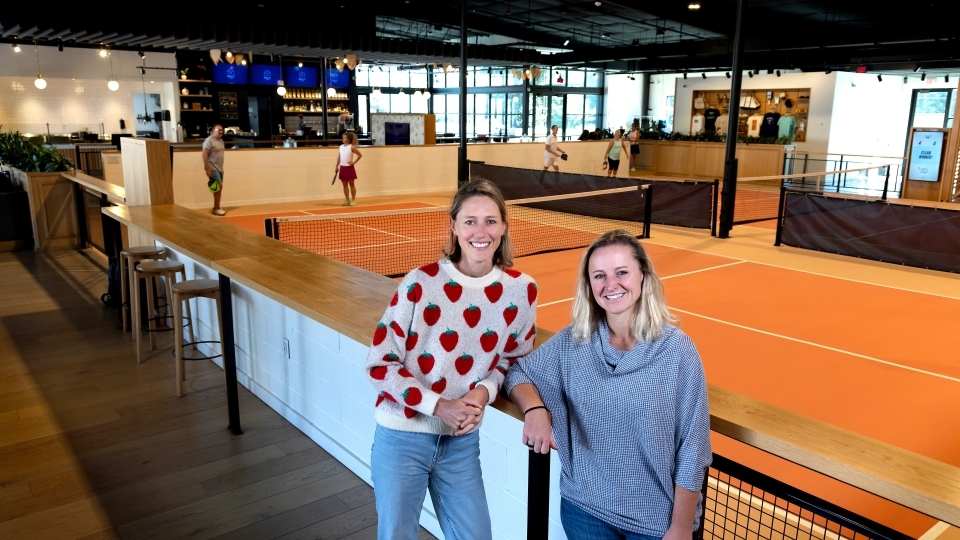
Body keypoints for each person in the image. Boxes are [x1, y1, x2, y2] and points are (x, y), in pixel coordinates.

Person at [505, 230, 711, 540]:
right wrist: (535, 409)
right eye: (599, 275)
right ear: (589, 286)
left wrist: (681, 527)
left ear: (643, 275)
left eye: (622, 272)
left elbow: (694, 448)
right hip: (584, 511)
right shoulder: (574, 342)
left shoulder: (678, 351)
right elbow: (518, 372)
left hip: (656, 522)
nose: (610, 284)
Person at [365, 179, 538, 540]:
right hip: (401, 436)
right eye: (470, 220)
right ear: (454, 226)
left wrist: (484, 392)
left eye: (491, 221)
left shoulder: (522, 290)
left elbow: (513, 359)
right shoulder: (420, 283)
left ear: (504, 227)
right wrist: (438, 405)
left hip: (459, 444)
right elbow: (380, 363)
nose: (481, 231)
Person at [201, 124, 226, 216]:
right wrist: (207, 169)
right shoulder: (209, 140)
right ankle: (216, 208)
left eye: (221, 130)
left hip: (220, 168)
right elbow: (204, 155)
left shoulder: (221, 141)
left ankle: (216, 207)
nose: (220, 131)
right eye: (218, 130)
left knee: (218, 189)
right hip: (212, 167)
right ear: (213, 131)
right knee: (219, 187)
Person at [335, 132, 362, 206]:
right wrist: (336, 166)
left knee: (351, 184)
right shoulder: (340, 147)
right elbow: (339, 157)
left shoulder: (352, 147)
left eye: (344, 137)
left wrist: (354, 162)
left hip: (349, 168)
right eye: (343, 137)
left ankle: (353, 200)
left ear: (348, 139)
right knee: (344, 185)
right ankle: (347, 200)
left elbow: (360, 155)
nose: (343, 139)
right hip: (342, 167)